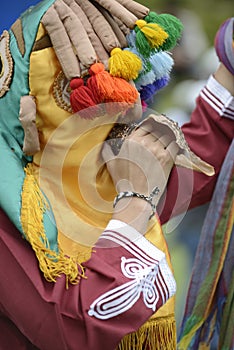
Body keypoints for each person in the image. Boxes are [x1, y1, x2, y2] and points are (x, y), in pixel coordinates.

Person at [0, 1, 233, 349]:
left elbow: (196, 161)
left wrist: (229, 67)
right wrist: (137, 200)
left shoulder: (98, 179)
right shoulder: (13, 204)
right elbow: (78, 327)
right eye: (75, 92)